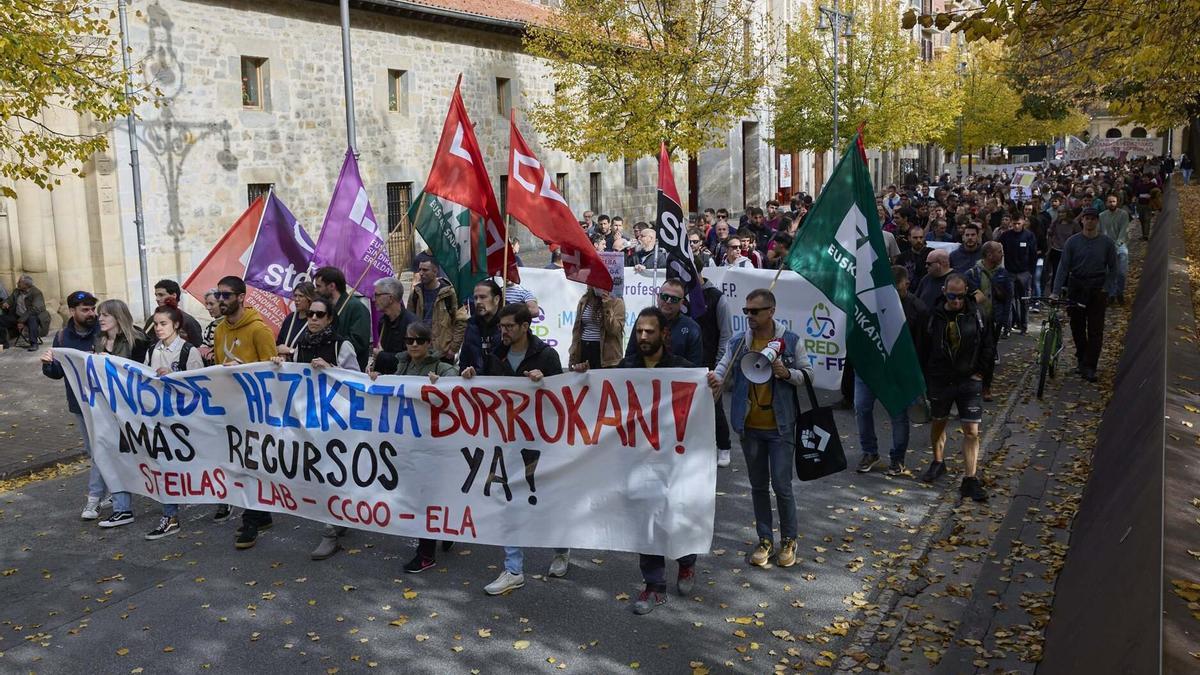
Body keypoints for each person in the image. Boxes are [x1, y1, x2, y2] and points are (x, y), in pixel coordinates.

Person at [461, 304, 568, 595]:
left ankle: (561, 548)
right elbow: (486, 390)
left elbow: (563, 399)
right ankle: (513, 569)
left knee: (545, 499)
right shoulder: (496, 354)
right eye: (501, 327)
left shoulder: (546, 356)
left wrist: (543, 383)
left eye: (509, 326)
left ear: (525, 326)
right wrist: (471, 376)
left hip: (540, 442)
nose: (503, 331)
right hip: (506, 440)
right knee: (508, 499)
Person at [602, 307, 699, 614]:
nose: (643, 337)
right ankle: (654, 585)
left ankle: (686, 560)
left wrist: (713, 390)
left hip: (674, 460)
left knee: (674, 514)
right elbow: (597, 393)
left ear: (664, 335)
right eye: (639, 331)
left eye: (649, 331)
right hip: (638, 460)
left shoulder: (683, 369)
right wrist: (582, 377)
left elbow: (702, 408)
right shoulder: (626, 369)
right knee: (646, 519)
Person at [710, 289, 812, 568]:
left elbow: (808, 374)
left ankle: (789, 540)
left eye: (755, 311)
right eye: (746, 311)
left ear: (771, 311)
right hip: (749, 426)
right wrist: (716, 379)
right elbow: (722, 368)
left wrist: (787, 373)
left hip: (780, 427)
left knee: (781, 485)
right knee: (757, 487)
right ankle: (765, 539)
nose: (749, 316)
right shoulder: (739, 342)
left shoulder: (790, 341)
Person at [379, 321, 462, 572]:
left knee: (427, 496)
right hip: (407, 444)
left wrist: (443, 386)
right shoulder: (401, 366)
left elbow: (456, 396)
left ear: (429, 343)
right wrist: (376, 381)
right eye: (409, 341)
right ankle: (447, 527)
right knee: (419, 495)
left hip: (434, 445)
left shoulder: (444, 369)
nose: (413, 345)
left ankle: (426, 553)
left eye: (419, 341)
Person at [212, 276, 279, 548]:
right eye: (218, 295)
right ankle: (261, 513)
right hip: (230, 409)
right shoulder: (219, 330)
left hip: (254, 410)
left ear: (241, 297)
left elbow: (272, 372)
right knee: (238, 465)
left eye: (226, 295)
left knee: (251, 465)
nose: (220, 301)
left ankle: (250, 520)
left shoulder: (259, 330)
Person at [916, 274, 991, 502]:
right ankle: (938, 461)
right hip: (940, 380)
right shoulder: (932, 316)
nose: (957, 301)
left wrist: (981, 374)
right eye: (952, 296)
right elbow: (922, 348)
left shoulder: (977, 314)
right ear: (943, 292)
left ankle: (970, 478)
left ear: (966, 290)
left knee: (971, 431)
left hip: (969, 380)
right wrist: (925, 380)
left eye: (960, 296)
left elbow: (989, 344)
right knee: (939, 422)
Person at [80, 298, 151, 523]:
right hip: (106, 408)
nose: (99, 318)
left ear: (118, 317)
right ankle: (121, 505)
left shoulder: (138, 340)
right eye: (99, 314)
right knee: (107, 452)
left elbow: (141, 374)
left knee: (140, 454)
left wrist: (110, 362)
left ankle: (167, 500)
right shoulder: (98, 340)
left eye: (105, 315)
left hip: (131, 409)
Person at [142, 303, 205, 539]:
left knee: (198, 463)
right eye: (156, 324)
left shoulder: (189, 352)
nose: (158, 328)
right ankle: (170, 515)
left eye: (163, 324)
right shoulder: (152, 351)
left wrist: (175, 378)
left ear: (176, 325)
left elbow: (198, 388)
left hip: (187, 420)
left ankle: (223, 500)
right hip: (161, 419)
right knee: (164, 465)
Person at [855, 266, 925, 477]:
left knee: (898, 414)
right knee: (861, 408)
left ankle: (897, 459)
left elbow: (922, 344)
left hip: (898, 371)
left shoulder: (917, 308)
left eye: (898, 287)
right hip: (869, 368)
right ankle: (869, 452)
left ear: (906, 284)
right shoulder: (869, 302)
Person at [40, 291, 101, 517]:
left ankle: (94, 499)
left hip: (105, 404)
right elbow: (57, 372)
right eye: (85, 310)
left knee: (100, 451)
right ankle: (113, 490)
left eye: (92, 308)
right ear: (72, 311)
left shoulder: (102, 331)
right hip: (80, 404)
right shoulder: (63, 337)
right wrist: (47, 364)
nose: (91, 314)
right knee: (93, 450)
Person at [1052, 207, 1118, 383]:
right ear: (1082, 221)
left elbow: (1113, 268)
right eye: (1087, 218)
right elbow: (1063, 267)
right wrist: (1055, 291)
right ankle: (1081, 359)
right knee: (1077, 326)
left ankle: (1090, 365)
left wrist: (1107, 287)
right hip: (1077, 286)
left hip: (1097, 287)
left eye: (1093, 218)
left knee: (1096, 329)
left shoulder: (1106, 243)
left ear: (1097, 221)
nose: (1089, 221)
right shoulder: (1072, 242)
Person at [692, 267, 734, 467]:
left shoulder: (717, 298)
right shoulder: (682, 294)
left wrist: (719, 366)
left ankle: (724, 446)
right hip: (688, 362)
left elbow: (726, 334)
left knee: (715, 406)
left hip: (710, 362)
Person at [965, 242, 1011, 401]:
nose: (1002, 254)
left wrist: (1005, 321)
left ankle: (986, 387)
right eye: (999, 252)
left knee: (989, 354)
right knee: (974, 352)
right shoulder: (972, 273)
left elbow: (1007, 298)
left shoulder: (1003, 274)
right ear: (989, 255)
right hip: (977, 320)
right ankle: (972, 384)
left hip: (994, 320)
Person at [624, 279, 703, 365]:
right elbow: (629, 358)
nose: (668, 301)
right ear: (658, 297)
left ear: (682, 303)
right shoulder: (643, 321)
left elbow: (696, 369)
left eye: (674, 299)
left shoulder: (692, 328)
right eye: (664, 297)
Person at [407, 259, 467, 361]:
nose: (421, 273)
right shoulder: (416, 293)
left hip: (442, 353)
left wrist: (453, 349)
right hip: (421, 352)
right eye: (420, 269)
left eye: (425, 270)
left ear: (435, 272)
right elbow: (408, 320)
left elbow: (461, 321)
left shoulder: (450, 293)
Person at [313, 267, 370, 370]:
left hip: (346, 371)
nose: (315, 290)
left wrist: (333, 347)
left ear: (332, 286)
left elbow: (359, 341)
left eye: (319, 286)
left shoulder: (356, 307)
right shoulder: (326, 308)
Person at [568, 284, 626, 369]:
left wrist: (607, 307)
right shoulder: (584, 300)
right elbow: (577, 330)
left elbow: (614, 330)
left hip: (606, 356)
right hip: (584, 349)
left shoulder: (617, 301)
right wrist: (573, 356)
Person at [369, 277, 417, 375]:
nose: (374, 299)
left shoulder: (412, 324)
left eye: (377, 295)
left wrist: (381, 356)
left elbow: (412, 357)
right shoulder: (383, 322)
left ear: (390, 298)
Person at [997, 216, 1037, 334]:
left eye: (1018, 223)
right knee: (1009, 301)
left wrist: (1031, 272)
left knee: (1024, 300)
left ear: (1023, 222)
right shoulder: (1005, 236)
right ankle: (1007, 328)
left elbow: (1033, 255)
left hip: (1024, 272)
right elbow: (998, 249)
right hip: (1009, 272)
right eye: (1014, 224)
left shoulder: (1029, 236)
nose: (1016, 226)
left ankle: (1024, 327)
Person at [457, 280, 504, 373]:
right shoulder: (471, 325)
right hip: (475, 383)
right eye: (475, 298)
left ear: (496, 299)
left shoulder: (509, 325)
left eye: (483, 297)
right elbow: (464, 359)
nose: (478, 302)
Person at [142, 279, 203, 346]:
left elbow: (197, 345)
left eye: (161, 295)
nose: (157, 299)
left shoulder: (189, 321)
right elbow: (146, 342)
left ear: (174, 295)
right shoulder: (152, 320)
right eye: (156, 295)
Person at [0, 275, 51, 350]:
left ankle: (34, 343)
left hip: (31, 316)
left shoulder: (36, 293)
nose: (17, 283)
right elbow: (9, 300)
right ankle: (3, 343)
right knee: (1, 320)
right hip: (18, 316)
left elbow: (35, 309)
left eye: (19, 282)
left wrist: (21, 320)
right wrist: (6, 303)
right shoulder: (16, 291)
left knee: (32, 319)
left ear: (26, 285)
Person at [1098, 194, 1130, 305]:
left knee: (1121, 272)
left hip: (1120, 246)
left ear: (1117, 202)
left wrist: (1117, 244)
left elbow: (1124, 231)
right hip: (1106, 246)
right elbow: (1100, 232)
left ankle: (1119, 292)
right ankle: (1110, 294)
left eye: (1114, 201)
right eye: (1110, 201)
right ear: (1106, 203)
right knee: (1108, 272)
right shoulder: (1101, 216)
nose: (1112, 204)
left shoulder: (1123, 214)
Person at [276, 281, 316, 353]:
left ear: (310, 299)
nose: (296, 299)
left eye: (301, 296)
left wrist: (290, 351)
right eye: (295, 296)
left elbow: (311, 352)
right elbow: (279, 343)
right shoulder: (290, 318)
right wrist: (279, 350)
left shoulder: (314, 320)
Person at [198, 288, 224, 366]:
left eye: (211, 304)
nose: (208, 308)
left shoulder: (234, 324)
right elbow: (202, 349)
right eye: (207, 304)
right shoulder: (210, 327)